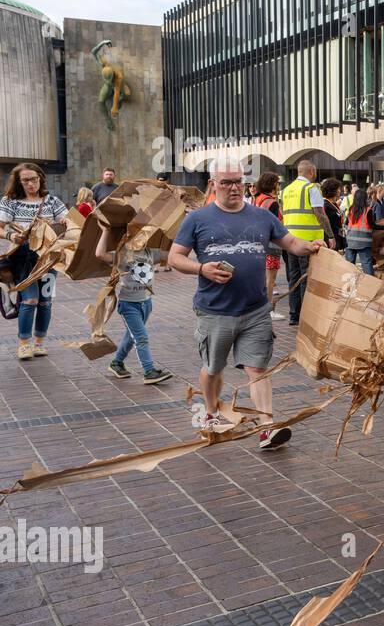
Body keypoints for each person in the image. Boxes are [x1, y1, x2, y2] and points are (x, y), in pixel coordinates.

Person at [169, 158, 324, 450]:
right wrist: (202, 269)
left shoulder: (262, 217)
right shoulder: (198, 219)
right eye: (226, 182)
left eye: (238, 181)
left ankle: (268, 427)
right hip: (215, 311)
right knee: (213, 368)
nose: (234, 188)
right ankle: (211, 411)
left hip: (256, 310)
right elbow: (174, 258)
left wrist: (313, 246)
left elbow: (291, 243)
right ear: (213, 184)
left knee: (257, 369)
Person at [1, 163, 68, 360]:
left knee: (45, 302)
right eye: (26, 180)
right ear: (19, 182)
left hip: (49, 260)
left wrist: (65, 221)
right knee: (30, 300)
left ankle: (39, 343)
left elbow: (67, 219)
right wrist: (11, 236)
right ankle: (24, 343)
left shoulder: (51, 201)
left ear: (40, 178)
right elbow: (1, 227)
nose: (31, 184)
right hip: (23, 259)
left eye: (34, 179)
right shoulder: (10, 202)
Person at [96, 222, 172, 384]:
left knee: (132, 337)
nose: (141, 238)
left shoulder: (151, 253)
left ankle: (117, 363)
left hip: (146, 303)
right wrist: (105, 231)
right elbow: (100, 254)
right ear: (127, 237)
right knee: (141, 336)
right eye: (136, 235)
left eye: (144, 234)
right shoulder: (122, 254)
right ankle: (149, 371)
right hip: (128, 304)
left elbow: (173, 254)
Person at [280, 160, 335, 326]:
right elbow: (320, 213)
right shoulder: (311, 188)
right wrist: (330, 235)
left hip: (290, 240)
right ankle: (306, 315)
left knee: (294, 277)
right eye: (315, 171)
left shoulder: (286, 190)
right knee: (307, 278)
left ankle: (294, 315)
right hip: (309, 241)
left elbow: (283, 212)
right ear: (311, 171)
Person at [252, 172, 286, 321]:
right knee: (270, 279)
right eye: (277, 183)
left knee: (261, 278)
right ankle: (268, 310)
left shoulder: (258, 199)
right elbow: (274, 226)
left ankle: (258, 308)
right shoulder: (272, 202)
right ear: (273, 185)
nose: (278, 186)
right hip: (271, 244)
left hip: (258, 243)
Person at [344, 184, 384, 275]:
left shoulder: (351, 209)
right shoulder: (368, 210)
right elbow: (373, 225)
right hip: (363, 242)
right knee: (366, 264)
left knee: (349, 266)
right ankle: (370, 285)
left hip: (350, 241)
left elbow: (347, 223)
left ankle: (349, 285)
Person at [320, 178, 344, 249]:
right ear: (333, 191)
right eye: (338, 189)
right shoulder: (326, 205)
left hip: (336, 238)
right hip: (330, 241)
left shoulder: (333, 204)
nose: (340, 191)